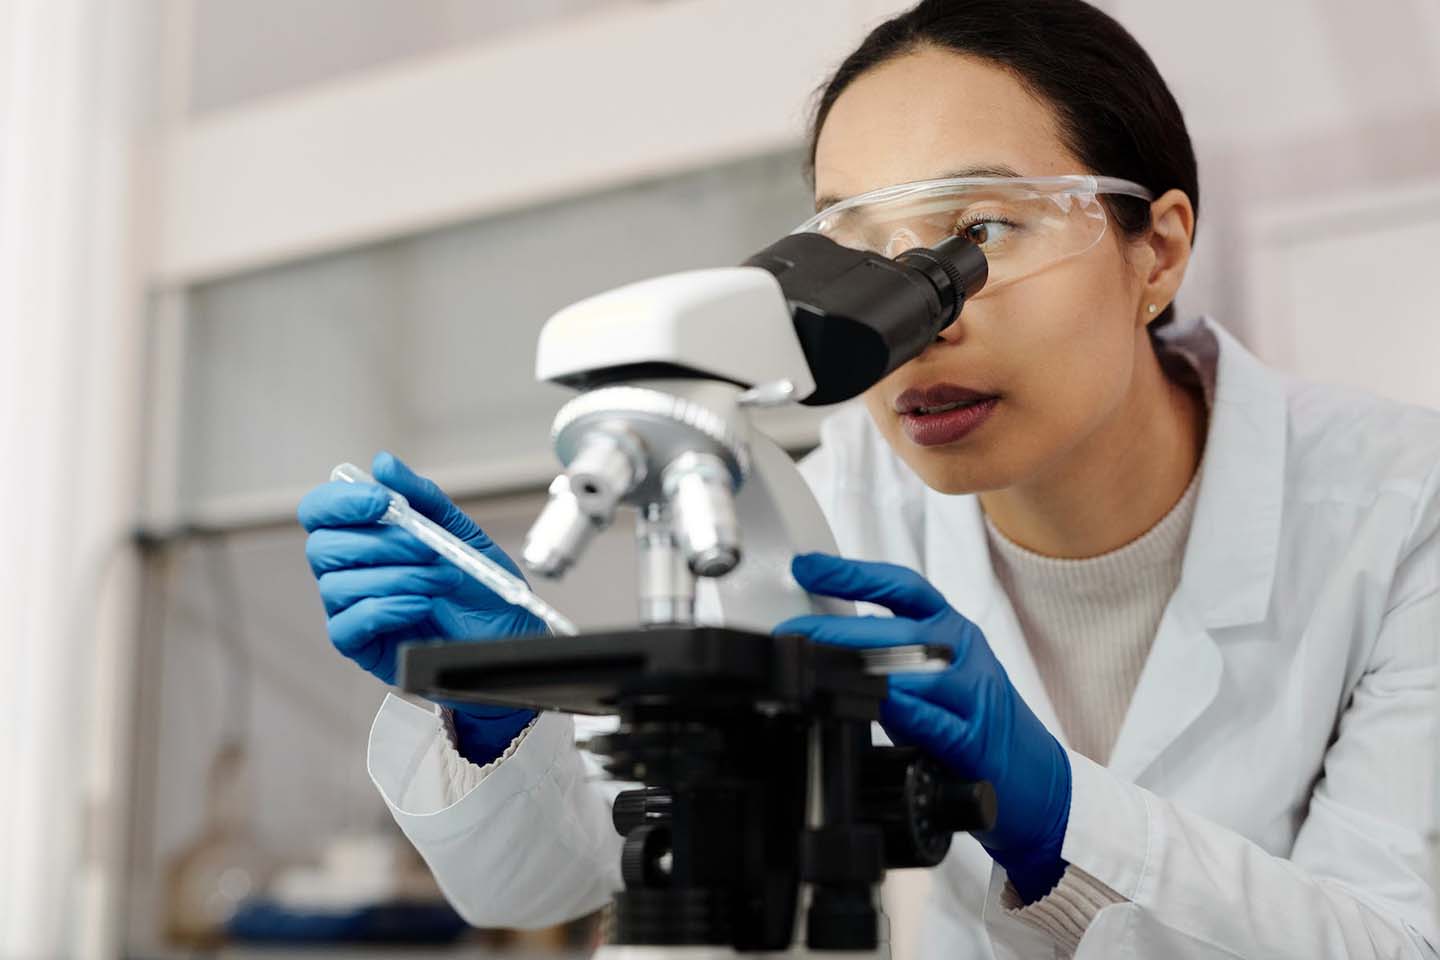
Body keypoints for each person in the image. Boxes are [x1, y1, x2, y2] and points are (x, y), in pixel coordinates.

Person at [296, 1, 1440, 956]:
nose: (916, 327)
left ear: (1160, 248)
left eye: (978, 232)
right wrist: (499, 719)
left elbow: (1395, 939)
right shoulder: (817, 500)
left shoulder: (1404, 510)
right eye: (862, 256)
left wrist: (1060, 818)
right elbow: (553, 882)